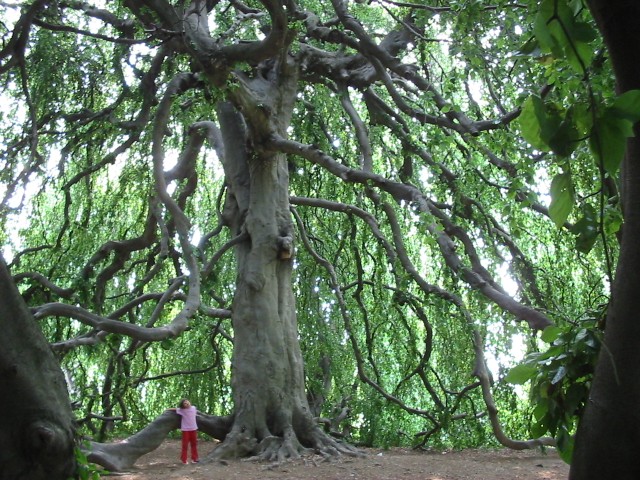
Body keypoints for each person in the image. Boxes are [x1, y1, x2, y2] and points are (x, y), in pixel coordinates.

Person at [168, 398, 199, 464]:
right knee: (185, 445)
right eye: (185, 403)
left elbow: (195, 414)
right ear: (183, 405)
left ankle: (194, 458)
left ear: (189, 402)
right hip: (186, 430)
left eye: (187, 402)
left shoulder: (194, 408)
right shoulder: (182, 410)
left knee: (194, 444)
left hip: (193, 429)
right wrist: (167, 409)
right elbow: (175, 409)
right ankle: (184, 459)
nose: (187, 403)